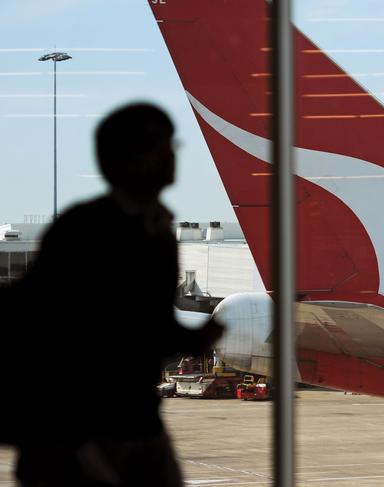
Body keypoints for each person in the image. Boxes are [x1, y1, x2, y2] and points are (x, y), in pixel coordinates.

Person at [6, 103, 224, 486]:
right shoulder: (89, 229)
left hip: (134, 419)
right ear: (125, 159)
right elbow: (66, 324)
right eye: (160, 146)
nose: (172, 155)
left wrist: (195, 338)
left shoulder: (155, 228)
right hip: (87, 428)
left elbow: (142, 324)